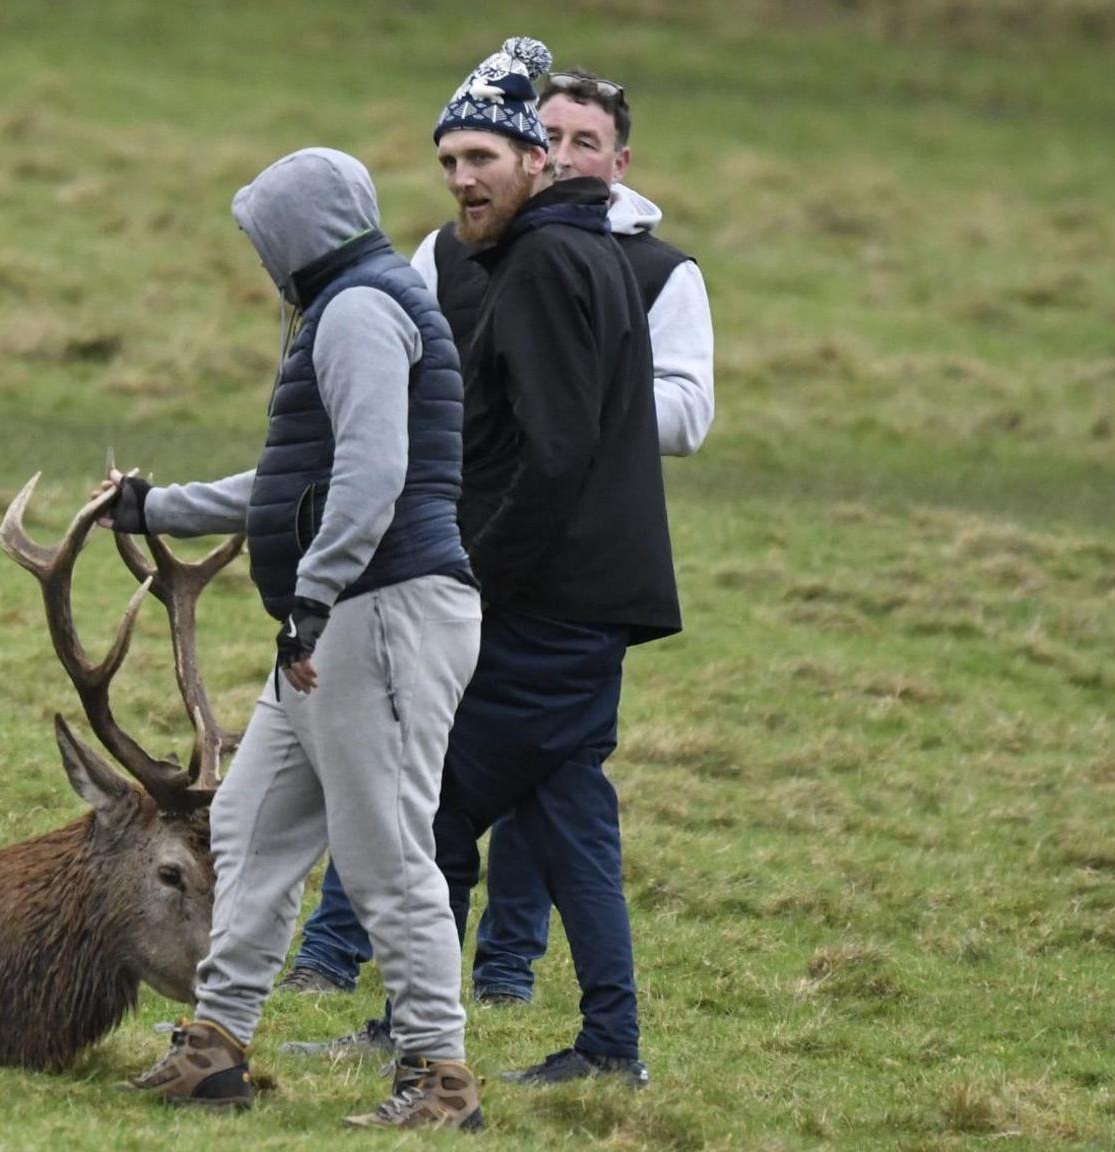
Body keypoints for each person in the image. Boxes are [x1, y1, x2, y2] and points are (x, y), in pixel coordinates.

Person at [284, 36, 679, 1088]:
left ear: (534, 161)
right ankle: (606, 1046)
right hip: (589, 601)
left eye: (483, 159)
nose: (462, 180)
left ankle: (418, 1034)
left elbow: (550, 454)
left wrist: (468, 574)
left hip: (547, 603)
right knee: (566, 810)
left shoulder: (549, 262)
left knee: (432, 808)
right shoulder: (573, 250)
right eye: (448, 161)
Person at [114, 146, 487, 1131]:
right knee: (250, 825)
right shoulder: (351, 306)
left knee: (385, 855)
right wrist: (158, 508)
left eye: (261, 238)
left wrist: (315, 599)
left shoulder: (361, 312)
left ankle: (439, 1079)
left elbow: (370, 477)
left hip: (380, 617)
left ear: (293, 235)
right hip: (342, 624)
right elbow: (286, 487)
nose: (259, 259)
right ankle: (214, 1048)